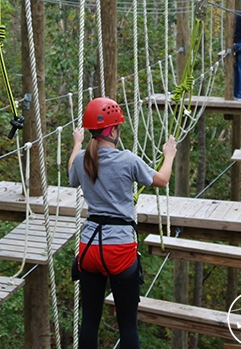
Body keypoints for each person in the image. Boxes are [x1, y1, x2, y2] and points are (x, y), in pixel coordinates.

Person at [68, 97, 177, 349]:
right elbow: (161, 180)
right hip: (120, 248)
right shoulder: (128, 160)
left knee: (89, 322)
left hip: (90, 247)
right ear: (114, 130)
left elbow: (72, 175)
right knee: (128, 324)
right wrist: (168, 155)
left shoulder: (83, 158)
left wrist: (76, 144)